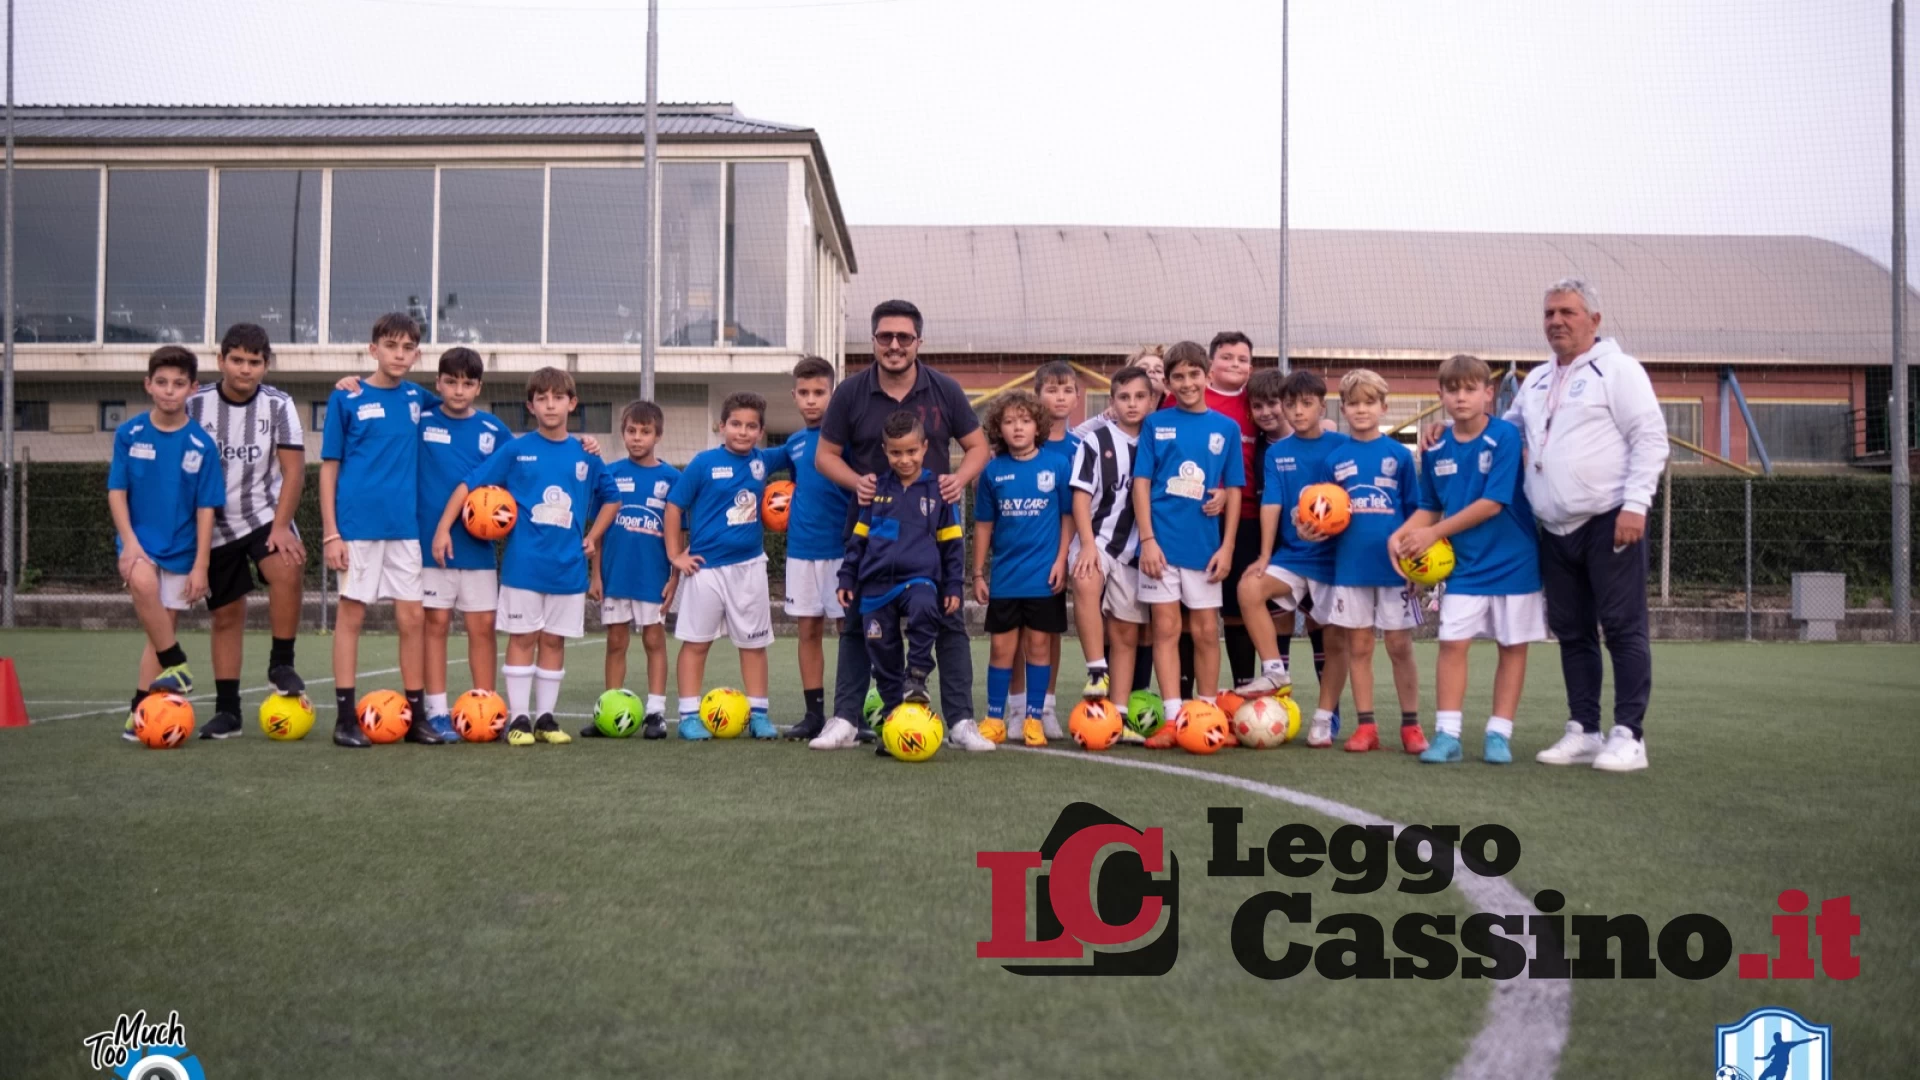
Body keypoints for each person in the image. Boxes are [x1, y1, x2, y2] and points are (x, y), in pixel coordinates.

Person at [816, 300, 992, 750]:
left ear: (919, 342)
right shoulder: (850, 393)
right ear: (873, 341)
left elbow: (977, 447)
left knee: (947, 620)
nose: (894, 345)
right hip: (870, 532)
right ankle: (846, 719)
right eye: (885, 337)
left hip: (929, 536)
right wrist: (859, 483)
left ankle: (959, 721)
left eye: (904, 338)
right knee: (858, 626)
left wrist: (958, 479)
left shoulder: (945, 389)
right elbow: (824, 456)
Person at [1512, 279, 1668, 772]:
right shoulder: (1535, 380)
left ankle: (1630, 736)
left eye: (1567, 312)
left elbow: (1650, 437)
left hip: (1609, 519)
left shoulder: (1619, 370)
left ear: (1594, 320)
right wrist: (1447, 428)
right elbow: (1504, 432)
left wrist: (1635, 504)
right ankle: (1585, 729)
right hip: (1554, 529)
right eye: (1549, 313)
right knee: (1573, 631)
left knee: (1622, 627)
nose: (1556, 321)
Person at [434, 367, 614, 747]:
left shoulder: (586, 455)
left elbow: (612, 499)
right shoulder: (516, 450)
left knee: (554, 641)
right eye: (542, 399)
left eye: (558, 398)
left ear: (572, 403)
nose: (551, 405)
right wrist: (442, 528)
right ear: (531, 406)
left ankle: (546, 719)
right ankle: (517, 719)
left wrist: (593, 536)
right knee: (523, 637)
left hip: (568, 570)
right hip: (523, 567)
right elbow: (469, 485)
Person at [1393, 354, 1545, 765]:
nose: (1461, 397)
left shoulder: (1505, 438)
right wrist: (1403, 537)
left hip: (1514, 562)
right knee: (1452, 644)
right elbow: (1428, 505)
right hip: (1465, 568)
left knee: (1512, 647)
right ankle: (1448, 735)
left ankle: (1499, 735)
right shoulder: (1435, 444)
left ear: (1488, 394)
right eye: (1452, 389)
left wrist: (1431, 534)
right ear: (1440, 394)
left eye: (1470, 389)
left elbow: (1493, 503)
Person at [320, 313, 443, 747]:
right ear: (373, 349)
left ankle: (416, 717)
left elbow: (458, 407)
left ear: (417, 354)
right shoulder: (346, 398)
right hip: (356, 529)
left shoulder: (418, 398)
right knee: (351, 615)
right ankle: (344, 718)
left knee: (413, 618)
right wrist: (331, 533)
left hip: (405, 529)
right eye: (391, 346)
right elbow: (329, 469)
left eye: (408, 347)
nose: (399, 354)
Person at [184, 323, 308, 740]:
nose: (245, 369)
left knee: (287, 566)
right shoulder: (194, 404)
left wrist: (281, 526)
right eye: (237, 360)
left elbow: (293, 471)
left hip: (262, 514)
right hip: (213, 523)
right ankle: (228, 711)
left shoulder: (279, 405)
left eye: (255, 362)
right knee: (226, 614)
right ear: (221, 361)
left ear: (266, 366)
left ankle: (281, 663)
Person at [820, 410, 964, 751]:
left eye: (911, 451)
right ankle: (893, 720)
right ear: (885, 451)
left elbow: (953, 543)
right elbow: (858, 540)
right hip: (875, 586)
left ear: (925, 447)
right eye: (896, 452)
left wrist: (955, 584)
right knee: (880, 650)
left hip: (920, 578)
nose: (904, 459)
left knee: (925, 607)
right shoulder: (872, 491)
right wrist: (847, 577)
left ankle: (916, 675)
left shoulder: (940, 491)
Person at [1131, 341, 1244, 747]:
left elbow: (1233, 488)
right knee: (1165, 628)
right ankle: (1174, 717)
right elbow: (1141, 483)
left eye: (1194, 374)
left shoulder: (1226, 428)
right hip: (1161, 547)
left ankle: (1209, 713)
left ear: (1208, 376)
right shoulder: (1156, 424)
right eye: (1178, 376)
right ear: (1169, 382)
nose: (1187, 382)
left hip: (1205, 550)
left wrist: (1227, 546)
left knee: (1206, 632)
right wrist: (1147, 540)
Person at [111, 346, 224, 741]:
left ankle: (139, 711)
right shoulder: (129, 434)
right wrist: (129, 543)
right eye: (161, 382)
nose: (169, 391)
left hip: (182, 550)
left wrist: (201, 565)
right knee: (142, 586)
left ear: (192, 389)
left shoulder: (201, 445)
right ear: (148, 385)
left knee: (159, 633)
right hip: (140, 544)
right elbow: (117, 493)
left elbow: (207, 508)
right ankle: (178, 663)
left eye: (178, 384)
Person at [1235, 371, 1352, 745]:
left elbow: (1350, 502)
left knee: (1334, 640)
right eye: (1291, 404)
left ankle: (1323, 717)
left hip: (1335, 559)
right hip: (1294, 556)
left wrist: (1330, 526)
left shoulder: (1341, 446)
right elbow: (1271, 503)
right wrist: (1266, 555)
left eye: (1306, 404)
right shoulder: (1278, 452)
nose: (1298, 411)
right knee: (1249, 588)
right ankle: (1274, 671)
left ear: (1322, 405)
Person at [664, 391, 789, 742]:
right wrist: (676, 555)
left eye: (751, 426)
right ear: (721, 426)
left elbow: (802, 446)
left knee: (753, 644)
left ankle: (759, 715)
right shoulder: (703, 464)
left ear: (761, 432)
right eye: (736, 424)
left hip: (749, 567)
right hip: (704, 569)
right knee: (696, 642)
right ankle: (689, 716)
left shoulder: (764, 461)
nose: (743, 431)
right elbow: (674, 507)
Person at [1321, 369, 1427, 754]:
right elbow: (1322, 512)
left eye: (1369, 402)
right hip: (1350, 568)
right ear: (1343, 408)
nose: (1361, 409)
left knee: (1399, 645)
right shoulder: (1335, 460)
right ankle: (1366, 726)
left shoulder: (1400, 455)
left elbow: (1418, 512)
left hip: (1395, 570)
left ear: (1384, 407)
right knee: (1359, 646)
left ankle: (1411, 727)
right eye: (1353, 403)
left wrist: (1416, 567)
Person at [415, 347, 510, 741]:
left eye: (467, 383)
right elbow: (391, 392)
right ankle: (437, 713)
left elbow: (516, 471)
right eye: (450, 382)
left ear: (479, 387)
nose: (458, 390)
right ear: (437, 384)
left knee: (483, 627)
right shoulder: (419, 421)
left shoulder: (494, 430)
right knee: (434, 624)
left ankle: (484, 708)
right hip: (429, 543)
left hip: (477, 549)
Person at [972, 390, 1073, 747]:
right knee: (1001, 650)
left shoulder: (1058, 465)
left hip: (1043, 577)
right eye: (1010, 421)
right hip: (1005, 579)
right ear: (999, 428)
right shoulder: (992, 472)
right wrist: (978, 573)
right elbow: (983, 524)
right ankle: (995, 719)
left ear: (1038, 426)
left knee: (1039, 647)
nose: (1018, 428)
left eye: (1025, 421)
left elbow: (1067, 518)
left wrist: (1061, 560)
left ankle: (1033, 719)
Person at [582, 400, 681, 739]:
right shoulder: (609, 474)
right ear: (623, 433)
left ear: (658, 435)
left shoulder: (672, 478)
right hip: (615, 576)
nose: (637, 438)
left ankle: (655, 713)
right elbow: (600, 530)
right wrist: (596, 575)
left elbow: (679, 535)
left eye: (645, 432)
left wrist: (674, 577)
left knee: (654, 640)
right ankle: (609, 710)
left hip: (652, 578)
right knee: (615, 641)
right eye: (631, 431)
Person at [1069, 365, 1153, 719]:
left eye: (1139, 397)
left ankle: (1117, 712)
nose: (1131, 404)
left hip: (1136, 551)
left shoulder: (1159, 439)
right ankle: (1096, 668)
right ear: (1112, 402)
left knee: (1126, 630)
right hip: (1098, 540)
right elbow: (1081, 496)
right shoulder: (1097, 440)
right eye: (1123, 397)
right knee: (1086, 578)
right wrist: (1086, 544)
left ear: (1151, 400)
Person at [1006, 359, 1082, 738]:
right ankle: (1017, 707)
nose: (1060, 397)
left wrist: (1067, 553)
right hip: (1019, 556)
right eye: (1052, 389)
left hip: (1061, 552)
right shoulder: (1012, 446)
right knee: (1017, 631)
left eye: (1067, 390)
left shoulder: (1081, 446)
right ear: (1037, 396)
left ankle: (1045, 706)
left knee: (1049, 632)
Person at [779, 356, 853, 741]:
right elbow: (755, 463)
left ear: (833, 393)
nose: (811, 400)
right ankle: (813, 713)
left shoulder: (846, 441)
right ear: (794, 396)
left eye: (819, 392)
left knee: (849, 629)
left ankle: (850, 711)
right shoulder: (792, 444)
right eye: (804, 393)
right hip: (800, 552)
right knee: (807, 629)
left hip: (842, 552)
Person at [1202, 332, 1266, 691]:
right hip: (1200, 518)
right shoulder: (1191, 397)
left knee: (1239, 607)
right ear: (1210, 364)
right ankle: (1188, 696)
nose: (1235, 365)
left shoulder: (1257, 402)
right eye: (1227, 357)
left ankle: (1244, 687)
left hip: (1250, 519)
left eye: (1242, 359)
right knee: (1193, 609)